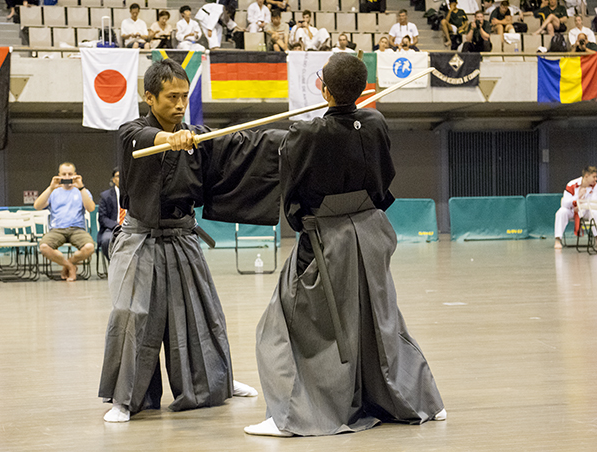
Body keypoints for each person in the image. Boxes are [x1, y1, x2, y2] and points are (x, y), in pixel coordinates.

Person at [244, 52, 445, 438]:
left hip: (329, 238)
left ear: (324, 88)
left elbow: (294, 191)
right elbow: (384, 178)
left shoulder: (307, 133)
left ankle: (294, 415)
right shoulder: (374, 122)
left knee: (282, 323)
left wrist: (305, 221)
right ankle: (418, 399)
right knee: (378, 319)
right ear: (362, 89)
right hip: (372, 232)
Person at [99, 58, 286, 423]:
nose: (180, 104)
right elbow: (140, 139)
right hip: (140, 240)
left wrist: (291, 137)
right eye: (171, 97)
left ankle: (217, 382)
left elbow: (242, 146)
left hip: (182, 236)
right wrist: (170, 139)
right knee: (131, 315)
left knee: (204, 314)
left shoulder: (196, 138)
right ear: (149, 97)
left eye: (185, 96)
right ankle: (125, 398)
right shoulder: (133, 132)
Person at [33, 162, 95, 282]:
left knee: (89, 247)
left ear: (75, 175)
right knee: (44, 247)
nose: (67, 177)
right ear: (59, 175)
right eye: (64, 174)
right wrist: (51, 187)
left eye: (70, 174)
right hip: (57, 230)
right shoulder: (54, 192)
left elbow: (91, 208)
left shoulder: (82, 191)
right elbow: (37, 206)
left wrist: (81, 187)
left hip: (77, 229)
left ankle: (70, 262)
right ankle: (69, 267)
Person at [554, 166, 597, 249]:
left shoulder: (595, 186)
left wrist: (582, 206)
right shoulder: (572, 185)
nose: (595, 179)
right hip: (572, 210)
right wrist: (577, 198)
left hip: (587, 211)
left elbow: (594, 203)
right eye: (594, 177)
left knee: (595, 213)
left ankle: (596, 239)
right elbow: (565, 203)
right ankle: (557, 240)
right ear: (586, 176)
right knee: (561, 212)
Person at [98, 168, 122, 261]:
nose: (121, 179)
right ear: (113, 179)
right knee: (106, 240)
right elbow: (103, 218)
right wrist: (117, 226)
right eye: (118, 176)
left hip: (130, 227)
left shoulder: (133, 195)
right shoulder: (105, 196)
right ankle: (113, 264)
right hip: (112, 228)